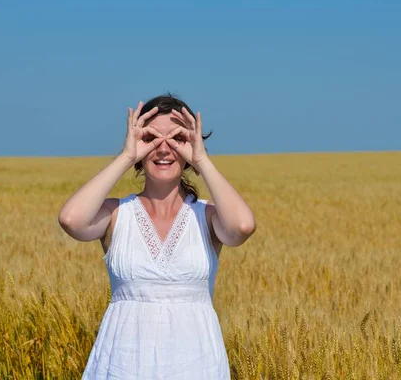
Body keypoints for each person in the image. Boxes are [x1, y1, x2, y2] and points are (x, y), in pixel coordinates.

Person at [58, 94, 256, 379]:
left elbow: (242, 227)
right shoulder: (117, 214)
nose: (164, 149)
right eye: (152, 138)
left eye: (177, 139)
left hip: (196, 365)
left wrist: (202, 159)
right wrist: (126, 157)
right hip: (124, 365)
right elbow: (71, 219)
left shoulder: (208, 217)